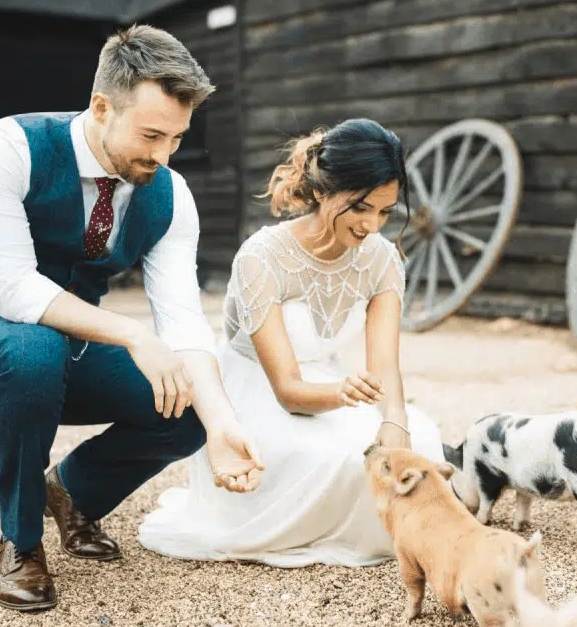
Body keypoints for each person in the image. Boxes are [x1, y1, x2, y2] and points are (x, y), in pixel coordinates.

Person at [0, 24, 264, 612]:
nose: (163, 156)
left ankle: (72, 492)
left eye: (177, 138)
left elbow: (183, 320)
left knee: (185, 403)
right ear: (102, 107)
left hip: (66, 350)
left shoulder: (170, 194)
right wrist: (133, 334)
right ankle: (21, 540)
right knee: (33, 348)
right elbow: (13, 292)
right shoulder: (9, 145)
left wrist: (221, 424)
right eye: (152, 134)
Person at [137, 118, 446, 567]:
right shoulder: (263, 257)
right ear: (322, 191)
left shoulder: (381, 260)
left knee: (425, 444)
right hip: (260, 389)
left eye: (385, 211)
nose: (373, 225)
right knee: (334, 461)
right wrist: (342, 394)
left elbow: (385, 371)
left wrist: (395, 426)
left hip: (328, 384)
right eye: (361, 207)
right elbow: (288, 391)